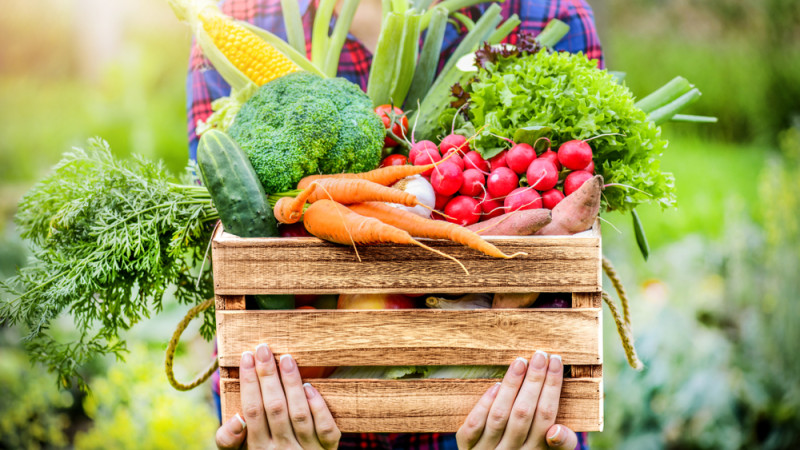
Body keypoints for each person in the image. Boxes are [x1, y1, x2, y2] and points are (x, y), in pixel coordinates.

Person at [187, 1, 603, 448]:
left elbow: (571, 266)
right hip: (287, 404)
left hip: (498, 408)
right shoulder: (238, 21)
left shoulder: (547, 13)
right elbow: (231, 220)